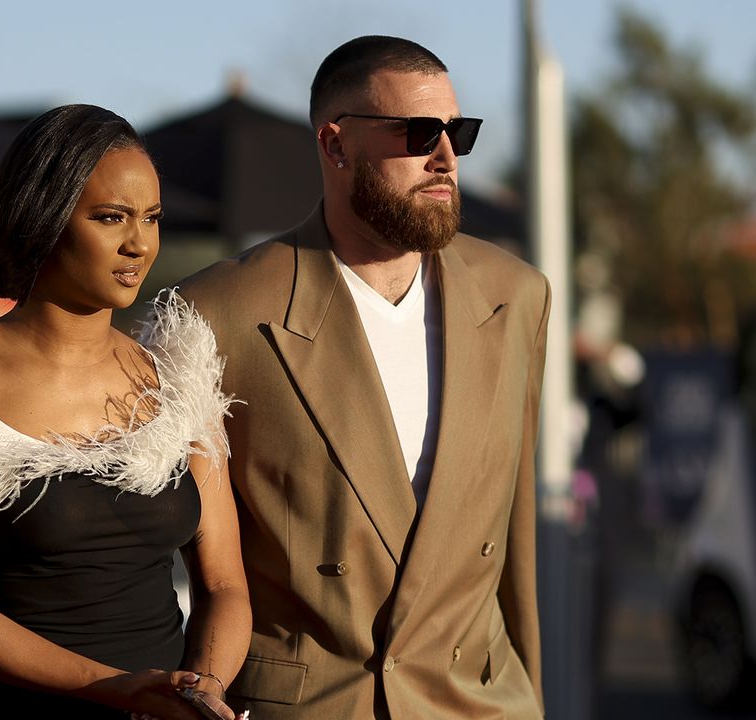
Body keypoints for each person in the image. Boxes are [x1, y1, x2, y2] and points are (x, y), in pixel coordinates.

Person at [172, 36, 550, 718]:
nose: (445, 158)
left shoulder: (516, 294)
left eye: (458, 134)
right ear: (336, 144)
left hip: (480, 702)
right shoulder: (218, 314)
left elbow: (515, 549)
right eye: (418, 133)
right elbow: (187, 560)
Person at [0, 104, 250, 719]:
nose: (139, 243)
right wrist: (115, 689)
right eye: (111, 217)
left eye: (151, 218)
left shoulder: (178, 376)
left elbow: (224, 583)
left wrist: (200, 693)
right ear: (44, 218)